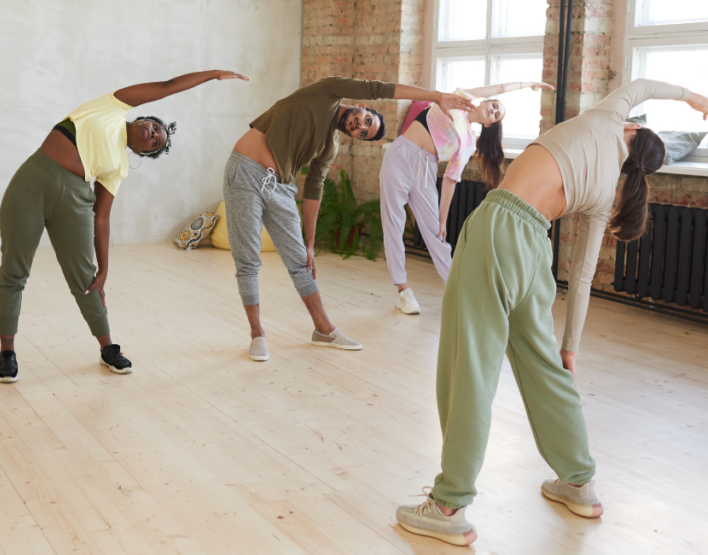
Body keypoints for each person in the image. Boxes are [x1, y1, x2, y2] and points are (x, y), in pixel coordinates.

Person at [395, 79, 708, 546]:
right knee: (545, 369)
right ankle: (579, 482)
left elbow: (644, 86)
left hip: (499, 226)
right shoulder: (605, 194)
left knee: (469, 364)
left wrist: (697, 100)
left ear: (632, 128)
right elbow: (581, 279)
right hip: (534, 251)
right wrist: (570, 350)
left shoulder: (607, 117)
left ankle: (448, 505)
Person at [0, 70, 249, 383]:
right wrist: (213, 75)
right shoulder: (111, 107)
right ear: (144, 118)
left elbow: (101, 217)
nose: (153, 135)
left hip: (74, 201)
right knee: (14, 272)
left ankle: (108, 348)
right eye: (155, 129)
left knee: (86, 280)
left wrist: (104, 269)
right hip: (29, 186)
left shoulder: (118, 166)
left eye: (155, 143)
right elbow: (167, 86)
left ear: (142, 152)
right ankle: (7, 352)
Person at [224, 77, 475, 361]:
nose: (361, 127)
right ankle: (257, 334)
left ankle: (323, 330)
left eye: (364, 133)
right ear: (362, 106)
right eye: (367, 120)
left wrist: (310, 243)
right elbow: (380, 89)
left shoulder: (330, 145)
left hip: (281, 186)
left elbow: (314, 187)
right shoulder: (327, 92)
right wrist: (437, 96)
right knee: (247, 259)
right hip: (245, 171)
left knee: (303, 263)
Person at [380, 81, 554, 315]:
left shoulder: (468, 142)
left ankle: (459, 291)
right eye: (493, 105)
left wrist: (443, 221)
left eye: (496, 114)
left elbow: (451, 180)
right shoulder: (457, 101)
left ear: (489, 124)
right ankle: (403, 291)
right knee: (393, 223)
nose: (493, 110)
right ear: (484, 102)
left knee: (437, 235)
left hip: (426, 168)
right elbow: (500, 88)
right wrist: (527, 84)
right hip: (400, 156)